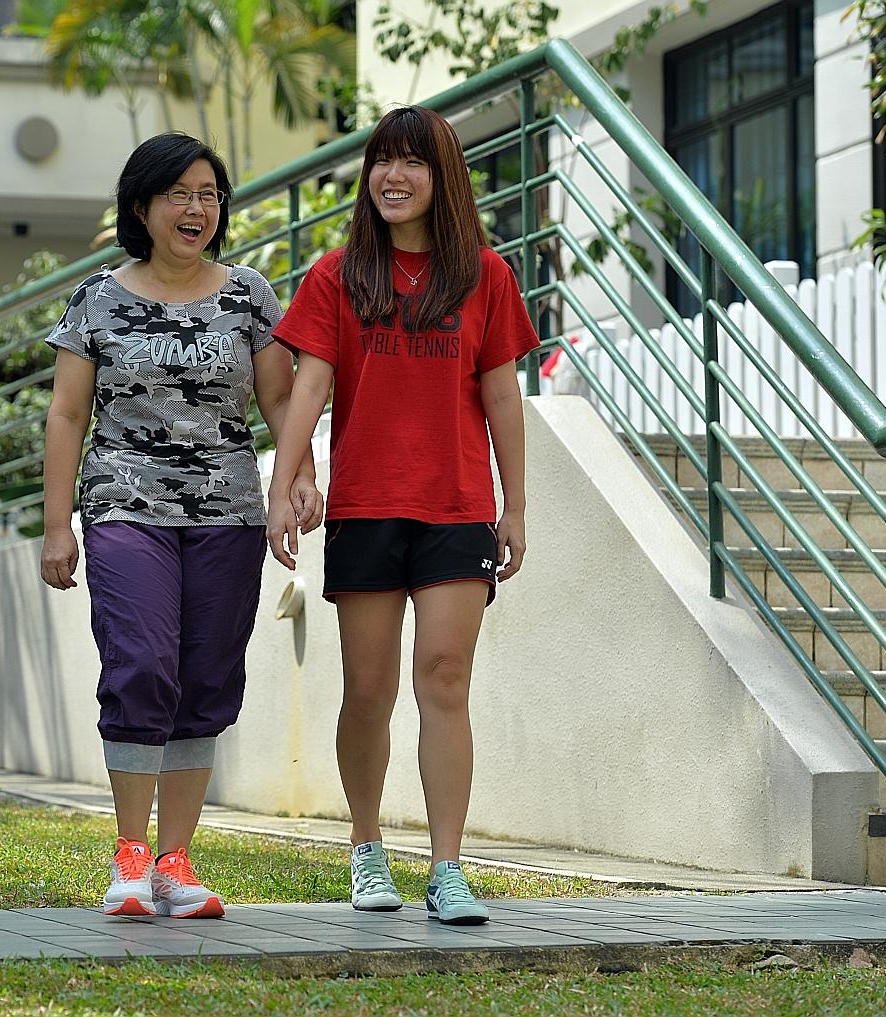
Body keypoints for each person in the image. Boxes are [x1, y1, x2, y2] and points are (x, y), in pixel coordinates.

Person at [265, 106, 539, 926]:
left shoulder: (485, 275)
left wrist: (514, 505)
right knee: (369, 689)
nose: (394, 175)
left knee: (445, 681)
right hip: (364, 507)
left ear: (441, 177)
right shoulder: (337, 275)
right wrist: (285, 483)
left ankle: (449, 867)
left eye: (413, 163)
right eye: (383, 160)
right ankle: (366, 845)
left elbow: (501, 396)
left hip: (455, 509)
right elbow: (308, 388)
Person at [40, 132, 321, 919]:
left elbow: (278, 402)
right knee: (142, 661)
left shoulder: (250, 295)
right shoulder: (97, 297)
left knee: (205, 678)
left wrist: (298, 474)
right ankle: (130, 856)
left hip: (227, 511)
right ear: (143, 206)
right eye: (179, 194)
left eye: (209, 194)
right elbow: (67, 414)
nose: (196, 209)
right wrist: (56, 524)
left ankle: (174, 862)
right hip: (126, 506)